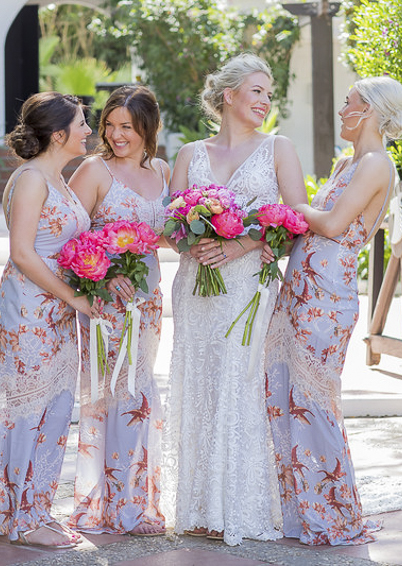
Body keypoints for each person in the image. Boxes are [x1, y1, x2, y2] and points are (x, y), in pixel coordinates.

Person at [0, 92, 96, 550]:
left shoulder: (58, 179)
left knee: (52, 412)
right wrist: (76, 297)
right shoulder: (30, 180)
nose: (89, 131)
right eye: (81, 124)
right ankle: (23, 520)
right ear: (59, 134)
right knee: (23, 412)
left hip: (57, 312)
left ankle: (33, 510)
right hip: (28, 313)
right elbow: (23, 253)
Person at [163, 53, 307, 546]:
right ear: (229, 95)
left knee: (241, 382)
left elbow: (294, 220)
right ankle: (200, 506)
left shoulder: (278, 148)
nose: (265, 101)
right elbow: (171, 224)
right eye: (257, 91)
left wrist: (240, 245)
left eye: (269, 94)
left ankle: (242, 505)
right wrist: (193, 243)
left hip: (248, 285)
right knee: (200, 382)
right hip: (196, 285)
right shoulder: (189, 153)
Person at [263, 76, 402, 546]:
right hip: (300, 288)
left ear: (368, 110)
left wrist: (288, 209)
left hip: (327, 297)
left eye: (348, 103)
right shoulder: (349, 162)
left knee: (314, 401)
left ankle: (332, 513)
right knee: (284, 393)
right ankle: (298, 510)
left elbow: (330, 224)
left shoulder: (376, 164)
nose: (342, 110)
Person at [66, 85, 169, 536]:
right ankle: (118, 506)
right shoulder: (94, 170)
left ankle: (135, 500)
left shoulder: (162, 170)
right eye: (109, 125)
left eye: (126, 126)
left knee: (137, 393)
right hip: (107, 304)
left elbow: (165, 234)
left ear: (148, 128)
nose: (115, 134)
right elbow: (67, 238)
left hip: (149, 302)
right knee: (121, 396)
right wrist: (104, 276)